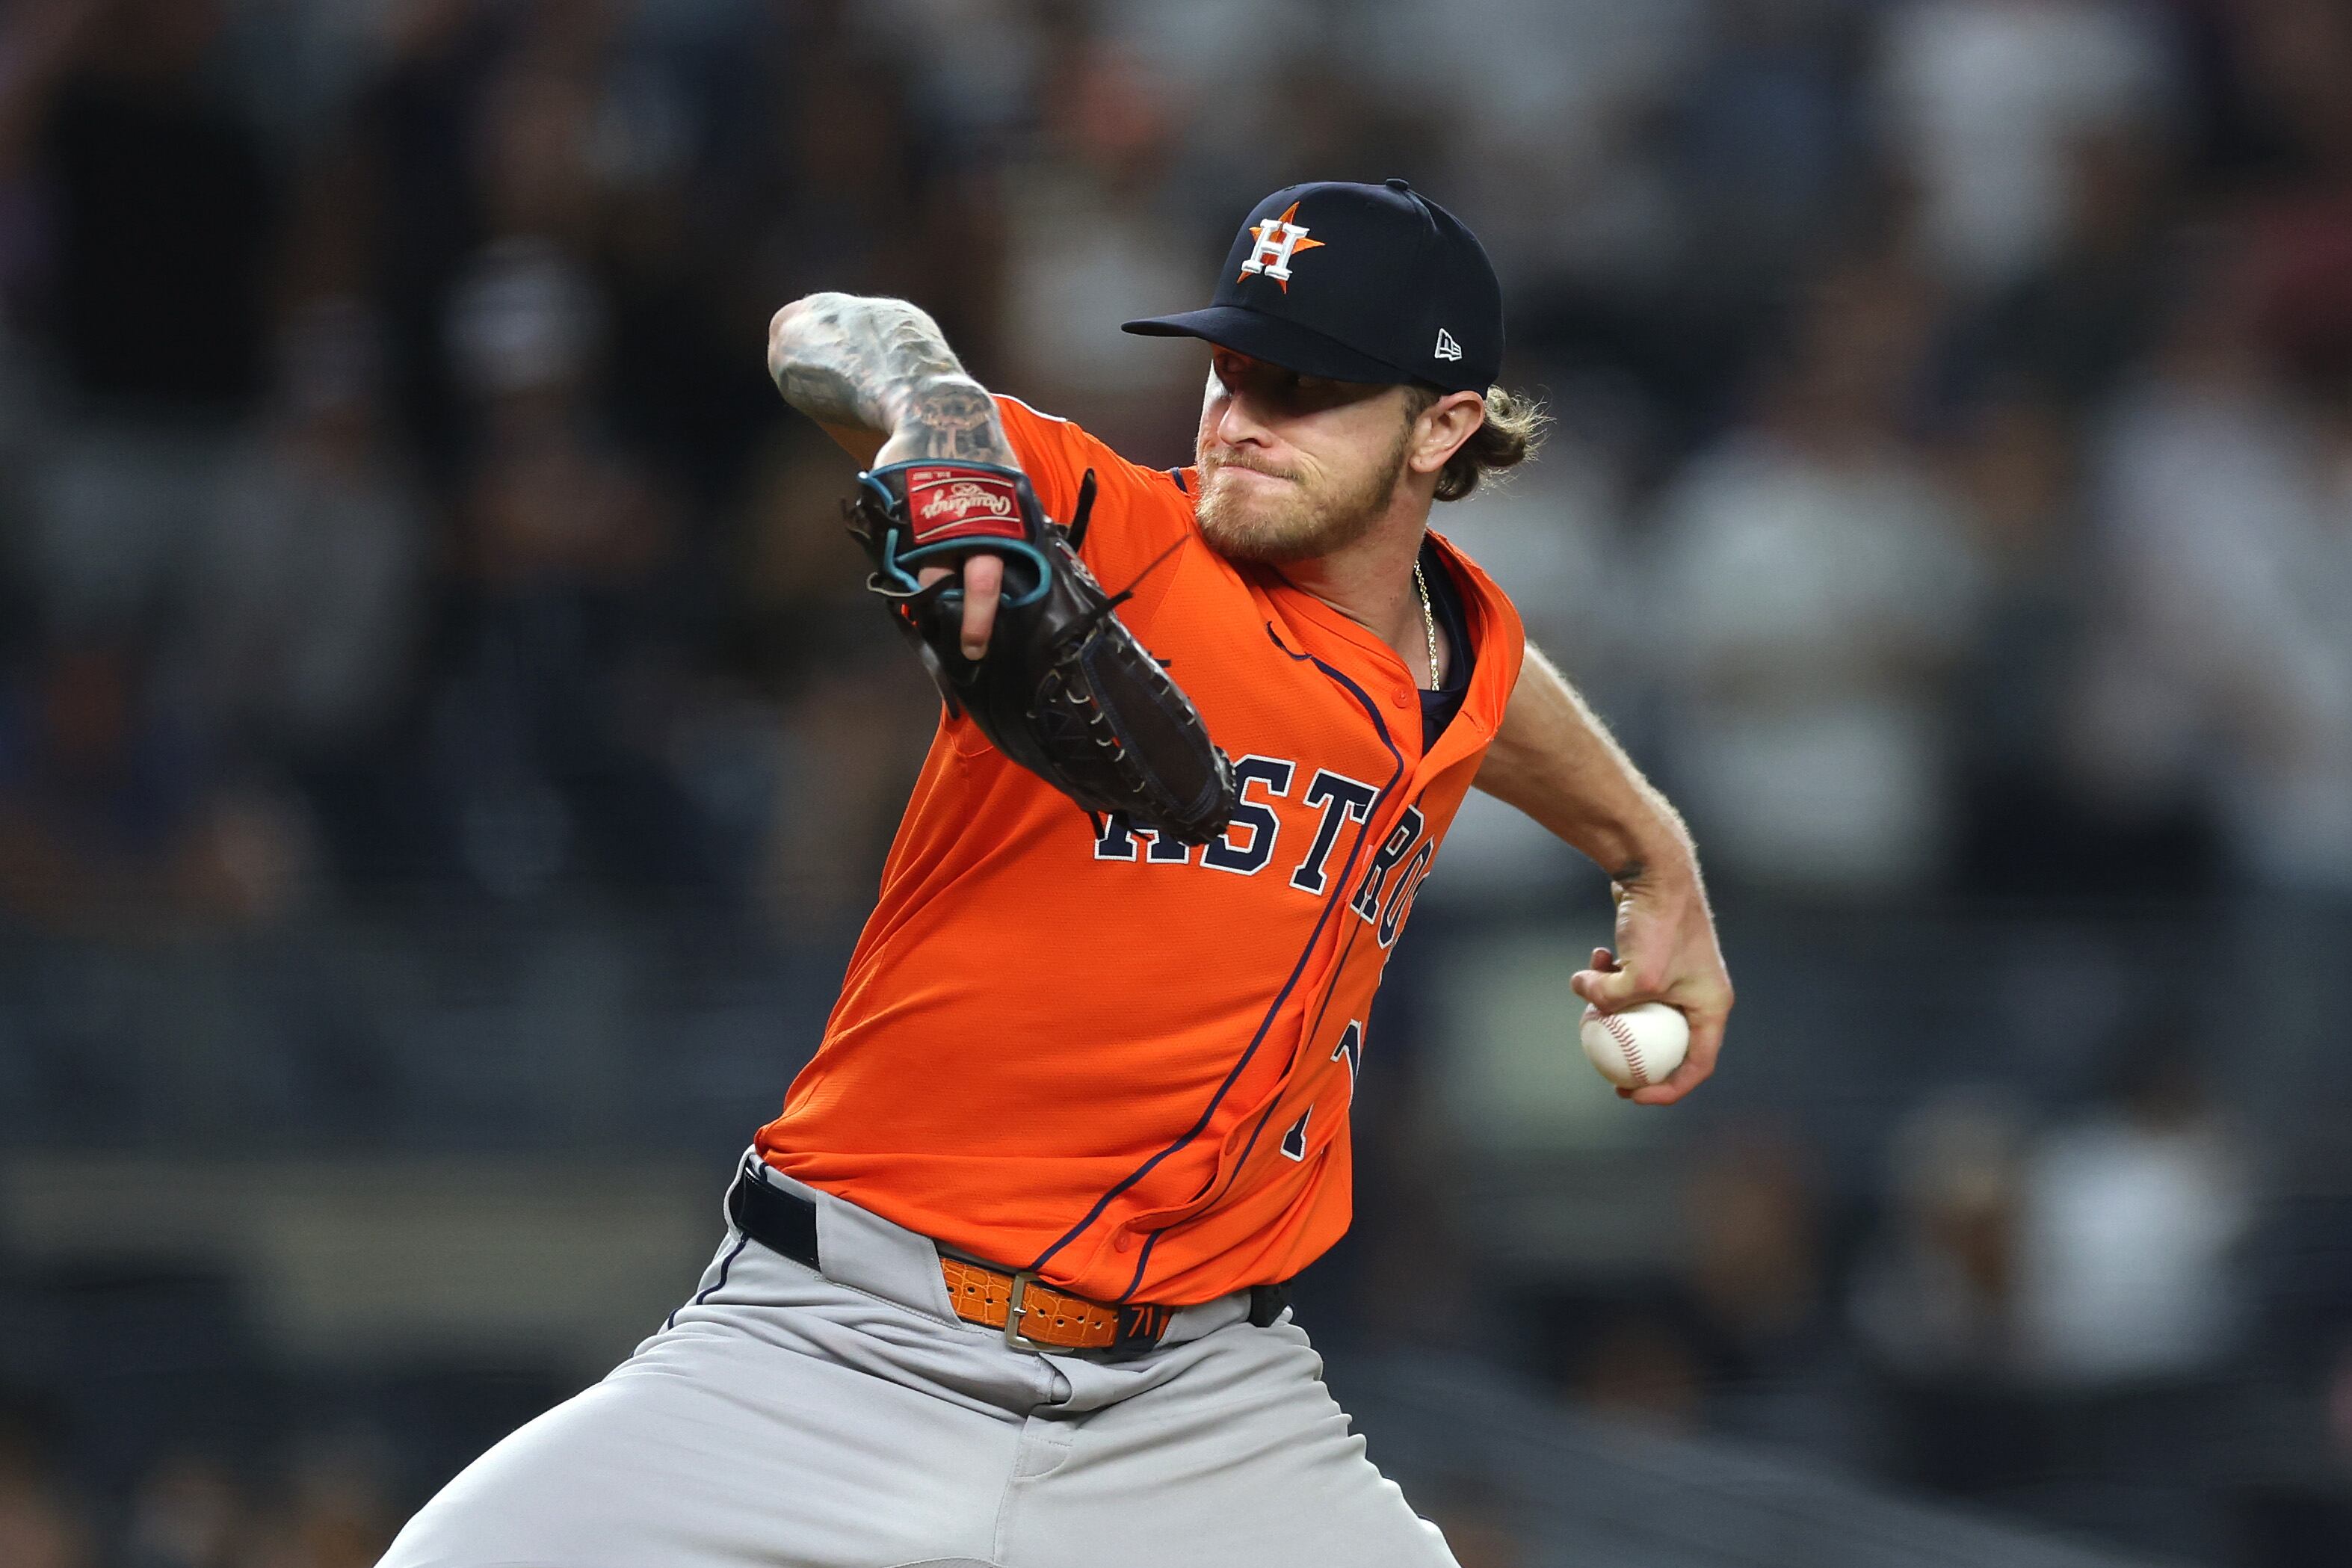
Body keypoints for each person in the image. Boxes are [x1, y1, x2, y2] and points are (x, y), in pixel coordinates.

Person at [377, 179, 1732, 1568]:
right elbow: (836, 331)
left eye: (1307, 386)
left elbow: (1482, 695)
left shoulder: (1462, 643)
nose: (1242, 414)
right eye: (1232, 366)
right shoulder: (1115, 531)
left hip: (1204, 1409)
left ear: (1443, 426)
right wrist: (948, 422)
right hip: (847, 1344)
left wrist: (1652, 852)